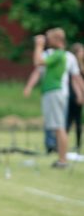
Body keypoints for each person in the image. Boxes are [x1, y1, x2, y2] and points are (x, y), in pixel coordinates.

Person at [33, 29, 84, 168]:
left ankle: (63, 160)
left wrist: (38, 45)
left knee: (59, 127)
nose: (47, 41)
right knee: (58, 127)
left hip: (56, 92)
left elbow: (38, 62)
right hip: (54, 92)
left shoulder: (59, 54)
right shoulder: (58, 54)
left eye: (49, 39)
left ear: (57, 40)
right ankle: (61, 158)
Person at [68, 42, 83, 153]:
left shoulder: (81, 64)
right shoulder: (72, 64)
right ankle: (62, 144)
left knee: (78, 120)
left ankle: (78, 144)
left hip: (80, 93)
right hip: (72, 94)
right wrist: (79, 94)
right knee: (69, 119)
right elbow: (74, 80)